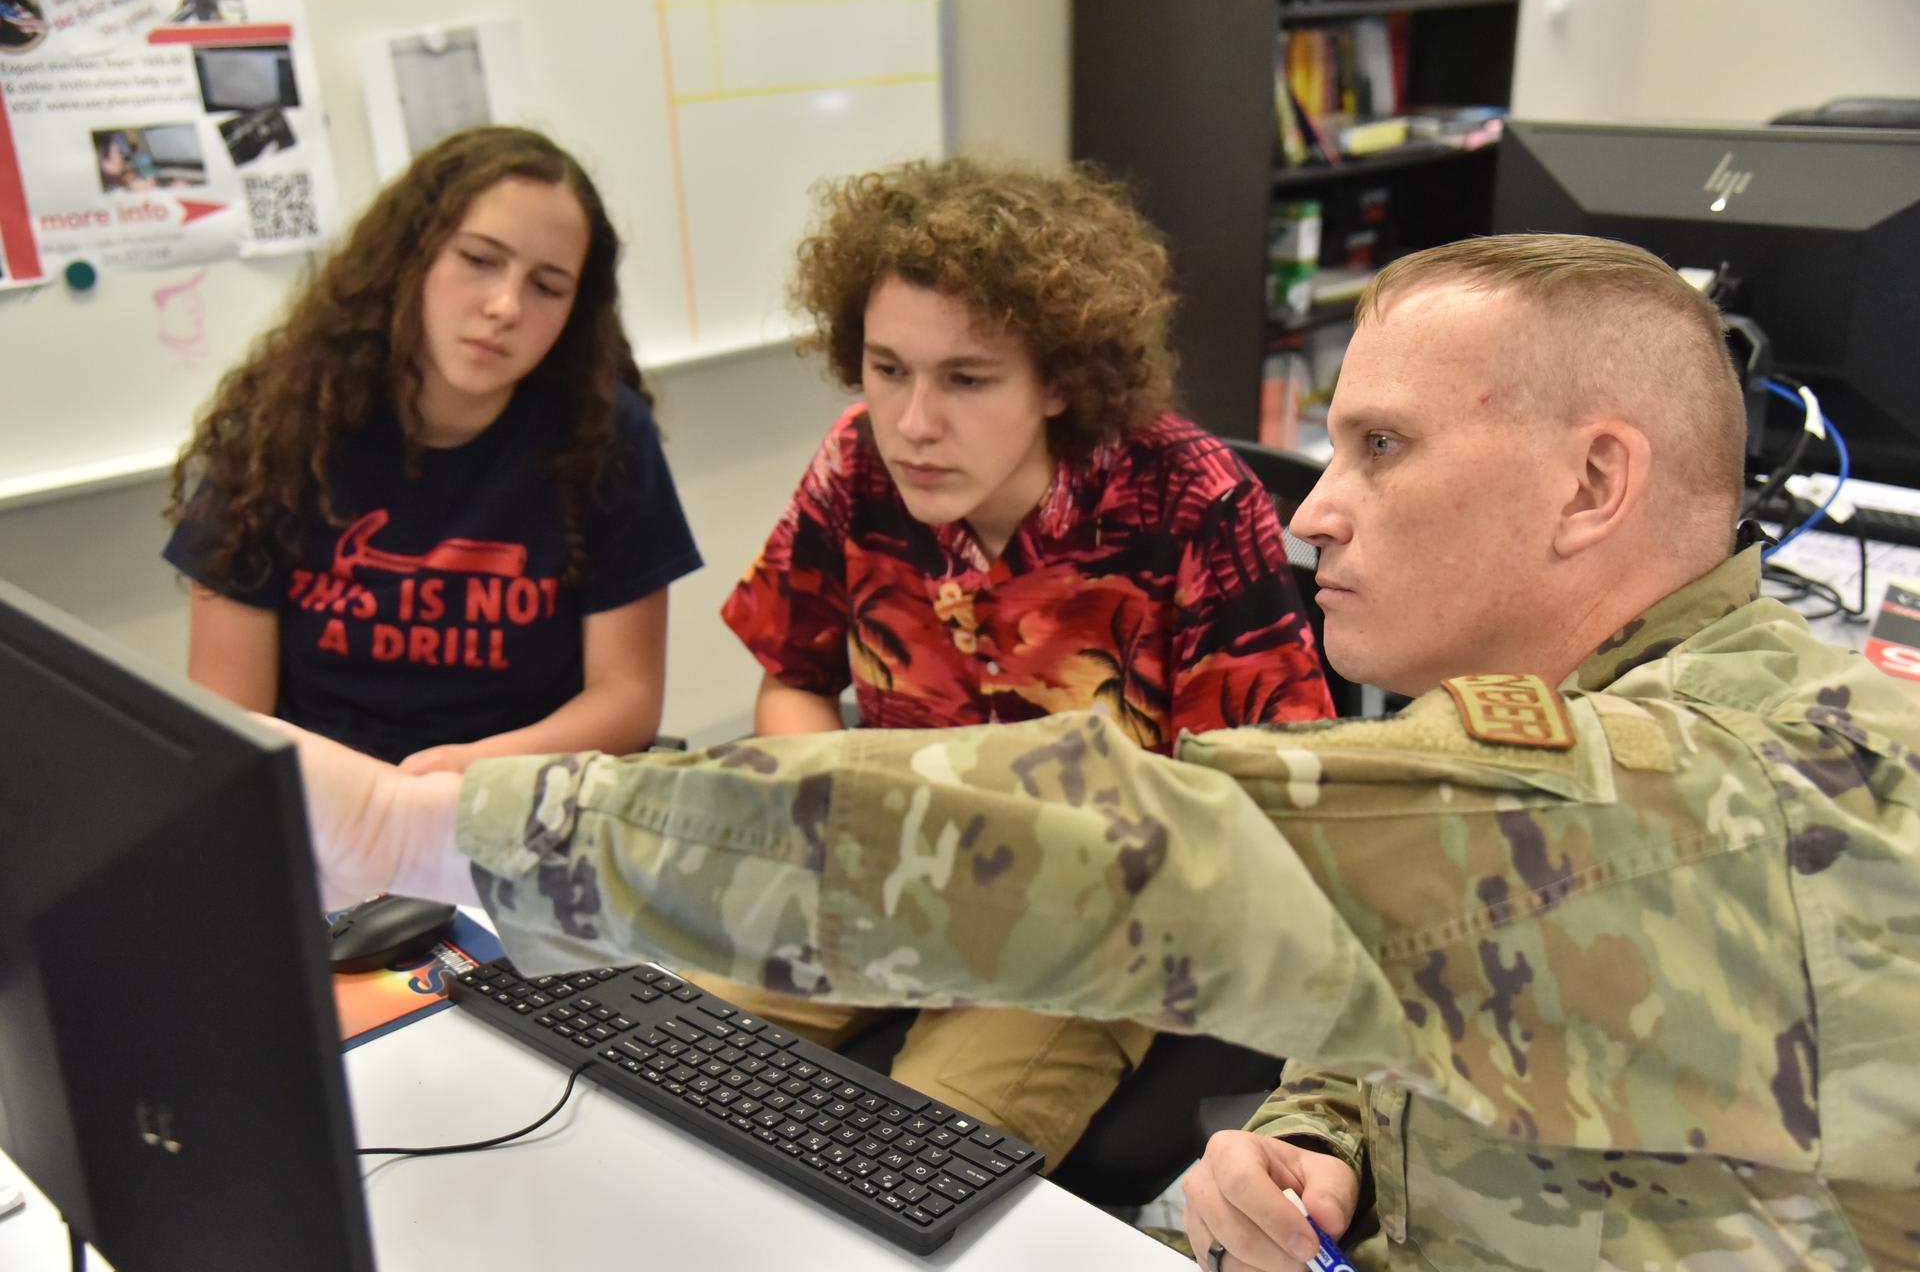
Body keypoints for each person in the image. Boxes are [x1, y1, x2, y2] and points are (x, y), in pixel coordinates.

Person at [281, 234, 1920, 1269]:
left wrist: (429, 829)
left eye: (1382, 448)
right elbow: (1427, 969)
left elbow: (1149, 848)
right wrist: (1322, 1142)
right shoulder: (1538, 725)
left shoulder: (1728, 798)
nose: (1316, 511)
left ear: (1593, 484)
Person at [707, 157, 1333, 1169]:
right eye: (888, 368)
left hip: (1091, 917)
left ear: (1058, 379)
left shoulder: (1192, 505)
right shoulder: (856, 462)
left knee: (913, 1163)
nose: (914, 423)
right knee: (673, 1048)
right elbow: (793, 677)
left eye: (967, 378)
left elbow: (1265, 805)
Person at [166, 126, 701, 772]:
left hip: (519, 794)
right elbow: (233, 720)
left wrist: (460, 773)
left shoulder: (603, 434)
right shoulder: (278, 428)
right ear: (410, 256)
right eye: (479, 259)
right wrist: (368, 798)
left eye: (548, 287)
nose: (505, 306)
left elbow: (626, 698)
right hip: (324, 798)